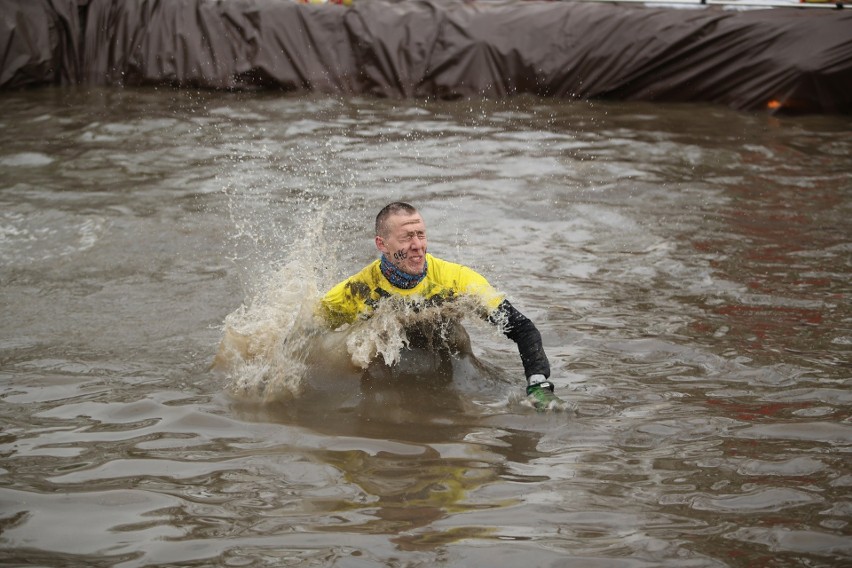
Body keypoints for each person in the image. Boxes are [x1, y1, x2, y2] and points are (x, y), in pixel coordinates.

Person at [318, 202, 565, 411]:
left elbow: (522, 328)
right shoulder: (356, 291)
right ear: (382, 244)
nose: (417, 245)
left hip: (445, 377)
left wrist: (538, 384)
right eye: (406, 237)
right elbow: (309, 335)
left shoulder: (457, 280)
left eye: (421, 235)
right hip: (383, 391)